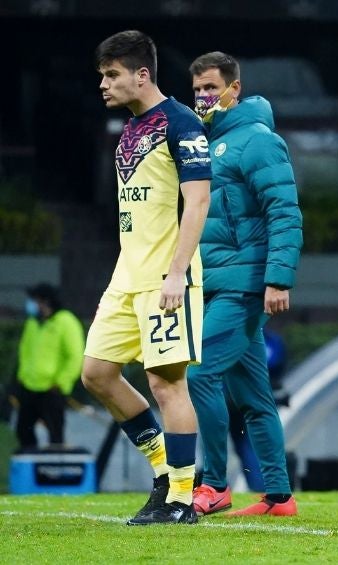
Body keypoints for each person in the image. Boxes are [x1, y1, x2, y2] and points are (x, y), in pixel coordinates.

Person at [83, 30, 210, 525]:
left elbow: (197, 202)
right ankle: (166, 471)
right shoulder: (132, 127)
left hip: (166, 278)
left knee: (166, 384)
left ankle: (181, 499)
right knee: (96, 373)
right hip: (127, 276)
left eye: (111, 74)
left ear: (142, 74)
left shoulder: (181, 123)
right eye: (102, 75)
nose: (103, 84)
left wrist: (177, 273)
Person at [187, 51, 303, 517]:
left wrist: (277, 279)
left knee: (200, 374)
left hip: (243, 284)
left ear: (234, 89)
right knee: (254, 397)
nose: (203, 97)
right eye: (197, 89)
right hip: (218, 283)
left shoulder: (257, 140)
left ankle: (214, 484)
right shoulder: (207, 142)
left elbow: (284, 211)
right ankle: (279, 497)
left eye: (211, 88)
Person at [14, 283, 84, 451]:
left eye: (35, 300)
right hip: (30, 387)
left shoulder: (66, 322)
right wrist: (22, 377)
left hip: (52, 390)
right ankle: (31, 463)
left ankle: (54, 465)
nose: (31, 305)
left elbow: (75, 356)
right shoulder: (33, 322)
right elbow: (25, 351)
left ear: (45, 301)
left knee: (55, 435)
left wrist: (61, 382)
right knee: (23, 431)